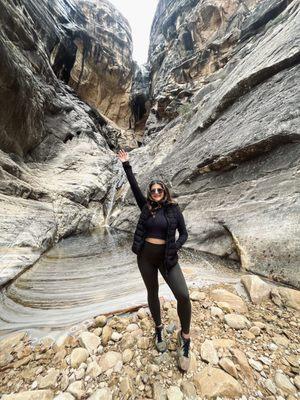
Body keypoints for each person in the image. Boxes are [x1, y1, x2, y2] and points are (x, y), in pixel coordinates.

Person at [116, 149, 192, 372]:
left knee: (184, 296)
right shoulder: (146, 207)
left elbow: (184, 234)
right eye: (153, 190)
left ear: (165, 192)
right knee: (152, 292)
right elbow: (134, 186)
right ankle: (158, 328)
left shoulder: (174, 210)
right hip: (145, 258)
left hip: (167, 259)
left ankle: (185, 337)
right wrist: (126, 165)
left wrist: (174, 247)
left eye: (160, 190)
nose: (156, 192)